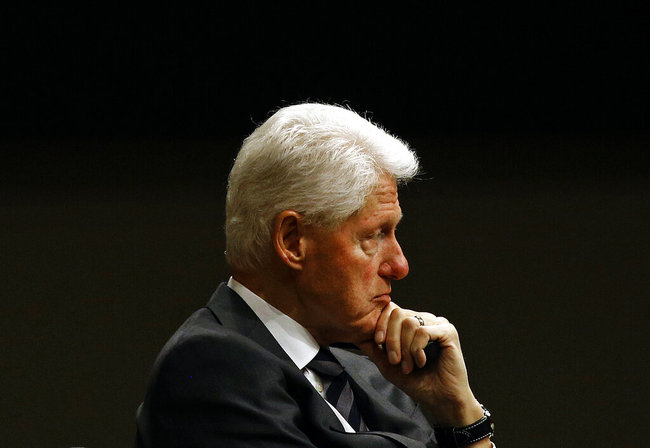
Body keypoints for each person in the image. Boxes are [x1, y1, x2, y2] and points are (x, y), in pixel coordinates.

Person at [135, 103, 495, 447]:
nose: (400, 265)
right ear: (292, 241)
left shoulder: (363, 366)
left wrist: (458, 412)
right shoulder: (211, 367)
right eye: (374, 235)